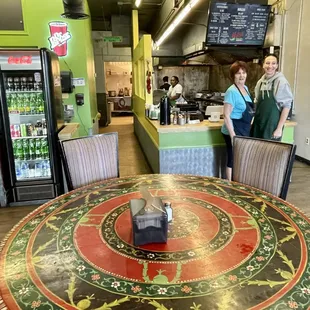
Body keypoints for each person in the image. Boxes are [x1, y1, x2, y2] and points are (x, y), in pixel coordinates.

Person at [221, 61, 254, 181]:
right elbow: (226, 115)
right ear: (233, 76)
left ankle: (239, 182)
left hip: (244, 128)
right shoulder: (231, 91)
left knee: (241, 157)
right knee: (233, 158)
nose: (241, 76)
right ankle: (230, 184)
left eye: (243, 73)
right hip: (233, 129)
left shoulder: (245, 88)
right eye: (238, 73)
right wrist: (232, 136)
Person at [251, 54, 293, 140]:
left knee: (270, 152)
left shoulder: (281, 82)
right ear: (263, 65)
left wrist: (279, 128)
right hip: (258, 125)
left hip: (272, 127)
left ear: (277, 66)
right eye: (267, 63)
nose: (270, 66)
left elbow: (287, 106)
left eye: (273, 63)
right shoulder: (260, 82)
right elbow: (257, 102)